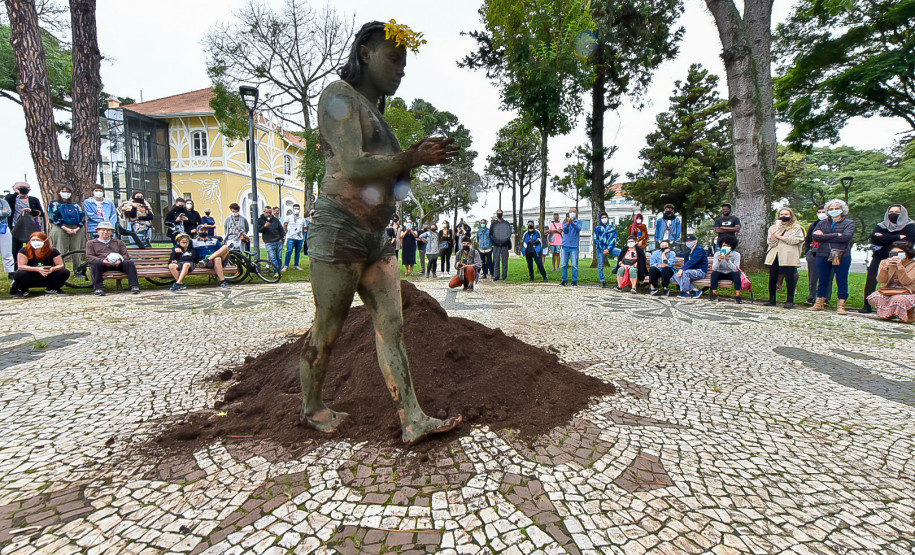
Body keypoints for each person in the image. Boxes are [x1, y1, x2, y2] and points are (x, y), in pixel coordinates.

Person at [301, 20, 462, 444]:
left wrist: (416, 160)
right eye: (394, 59)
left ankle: (413, 418)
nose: (400, 71)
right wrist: (410, 155)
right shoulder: (339, 95)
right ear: (366, 53)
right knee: (329, 326)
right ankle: (311, 407)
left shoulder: (380, 116)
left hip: (377, 236)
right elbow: (353, 165)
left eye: (405, 65)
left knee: (392, 325)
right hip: (339, 227)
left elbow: (394, 183)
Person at [861, 205, 915, 314]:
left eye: (896, 212)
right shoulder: (881, 225)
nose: (893, 214)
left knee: (902, 280)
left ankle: (900, 307)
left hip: (902, 258)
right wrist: (898, 237)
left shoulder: (910, 226)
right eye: (891, 212)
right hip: (880, 256)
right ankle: (867, 305)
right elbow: (875, 239)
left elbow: (908, 242)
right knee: (872, 279)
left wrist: (884, 238)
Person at [810, 199, 855, 315]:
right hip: (823, 253)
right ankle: (819, 301)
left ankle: (841, 304)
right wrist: (836, 234)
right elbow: (815, 236)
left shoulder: (849, 223)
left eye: (836, 209)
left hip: (841, 254)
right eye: (831, 209)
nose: (834, 211)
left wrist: (825, 235)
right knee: (823, 279)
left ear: (842, 210)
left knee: (841, 279)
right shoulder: (822, 222)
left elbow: (846, 237)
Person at [763, 208, 805, 308]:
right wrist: (774, 233)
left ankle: (790, 301)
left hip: (788, 255)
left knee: (789, 277)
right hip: (775, 254)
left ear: (791, 215)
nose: (783, 216)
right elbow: (771, 242)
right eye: (781, 214)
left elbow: (796, 240)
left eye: (786, 214)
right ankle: (772, 299)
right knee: (773, 277)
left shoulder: (796, 227)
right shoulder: (773, 227)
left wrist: (780, 237)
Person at [85, 221, 141, 296]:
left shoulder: (119, 242)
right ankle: (98, 288)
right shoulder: (91, 243)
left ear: (112, 232)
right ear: (98, 231)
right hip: (102, 264)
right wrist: (102, 261)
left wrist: (120, 260)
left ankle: (134, 286)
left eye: (108, 230)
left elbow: (125, 255)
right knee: (95, 264)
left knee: (129, 263)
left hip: (118, 264)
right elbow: (89, 256)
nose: (105, 232)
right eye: (103, 230)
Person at [866, 241, 915, 322]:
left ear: (907, 254)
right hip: (889, 290)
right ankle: (888, 314)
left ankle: (909, 314)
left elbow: (906, 282)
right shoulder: (884, 262)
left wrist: (900, 267)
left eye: (900, 253)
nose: (896, 255)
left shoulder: (913, 264)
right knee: (875, 296)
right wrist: (885, 267)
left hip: (907, 291)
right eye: (893, 252)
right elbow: (881, 280)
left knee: (898, 299)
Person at [10, 232, 69, 297]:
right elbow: (21, 266)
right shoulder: (24, 251)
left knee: (64, 272)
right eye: (33, 240)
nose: (35, 242)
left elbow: (60, 265)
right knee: (19, 273)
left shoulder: (53, 251)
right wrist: (37, 269)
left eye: (38, 240)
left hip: (47, 274)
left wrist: (53, 269)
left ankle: (53, 288)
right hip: (30, 275)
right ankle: (23, 290)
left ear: (44, 241)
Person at [6, 182, 44, 268]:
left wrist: (31, 210)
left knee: (32, 248)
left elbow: (40, 213)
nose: (23, 189)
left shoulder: (34, 199)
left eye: (26, 187)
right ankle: (14, 270)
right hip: (15, 227)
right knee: (15, 249)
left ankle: (31, 266)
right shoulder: (11, 198)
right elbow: (8, 202)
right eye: (20, 187)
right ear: (14, 188)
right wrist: (17, 192)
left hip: (30, 227)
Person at [48, 186, 86, 271]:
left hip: (76, 229)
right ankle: (61, 270)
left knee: (77, 250)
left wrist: (77, 229)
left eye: (68, 192)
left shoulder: (75, 204)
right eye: (64, 191)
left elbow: (82, 217)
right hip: (60, 228)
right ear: (59, 192)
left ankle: (78, 270)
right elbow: (53, 217)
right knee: (60, 250)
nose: (66, 194)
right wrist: (65, 228)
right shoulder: (54, 204)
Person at [804, 206, 832, 306]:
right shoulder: (814, 225)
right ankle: (812, 297)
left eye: (823, 212)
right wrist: (807, 252)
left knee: (828, 277)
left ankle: (825, 298)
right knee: (813, 277)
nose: (821, 214)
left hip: (829, 254)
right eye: (819, 212)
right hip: (814, 253)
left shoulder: (833, 225)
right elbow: (808, 239)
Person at [192, 225, 232, 289]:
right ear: (197, 231)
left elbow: (222, 250)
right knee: (217, 258)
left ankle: (207, 259)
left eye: (205, 230)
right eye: (201, 230)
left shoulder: (214, 240)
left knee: (225, 247)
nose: (203, 231)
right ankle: (223, 281)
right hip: (205, 261)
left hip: (218, 260)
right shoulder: (193, 242)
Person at [709, 234, 742, 303]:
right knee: (714, 274)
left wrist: (728, 261)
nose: (725, 247)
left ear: (732, 247)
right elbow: (714, 268)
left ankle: (738, 296)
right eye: (724, 246)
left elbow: (736, 269)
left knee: (737, 274)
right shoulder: (717, 254)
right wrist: (718, 261)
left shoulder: (736, 255)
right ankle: (714, 294)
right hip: (720, 272)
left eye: (728, 246)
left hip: (730, 273)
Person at [674, 234, 707, 298]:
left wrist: (682, 269)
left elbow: (692, 261)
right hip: (692, 271)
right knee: (676, 275)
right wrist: (671, 253)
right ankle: (695, 290)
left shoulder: (699, 250)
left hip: (700, 271)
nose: (688, 242)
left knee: (685, 273)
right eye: (687, 241)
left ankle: (687, 292)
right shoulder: (690, 251)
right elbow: (682, 254)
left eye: (690, 241)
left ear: (696, 241)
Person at [593, 212, 618, 287]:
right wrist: (603, 249)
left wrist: (609, 249)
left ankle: (616, 268)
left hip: (610, 248)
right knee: (600, 265)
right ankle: (602, 280)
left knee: (621, 253)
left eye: (605, 217)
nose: (604, 219)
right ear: (600, 219)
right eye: (602, 218)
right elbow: (595, 239)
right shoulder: (597, 228)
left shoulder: (612, 228)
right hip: (601, 249)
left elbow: (614, 239)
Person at [258, 205, 285, 273]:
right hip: (269, 242)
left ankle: (278, 270)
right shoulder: (260, 220)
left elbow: (281, 229)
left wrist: (281, 238)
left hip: (278, 241)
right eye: (267, 212)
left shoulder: (275, 220)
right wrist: (264, 226)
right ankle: (276, 272)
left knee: (279, 257)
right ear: (264, 212)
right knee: (273, 258)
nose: (269, 214)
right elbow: (258, 230)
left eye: (270, 212)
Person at [560, 207, 582, 286]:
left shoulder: (579, 222)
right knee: (564, 264)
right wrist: (568, 224)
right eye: (571, 211)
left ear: (576, 213)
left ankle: (574, 281)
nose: (573, 213)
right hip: (565, 245)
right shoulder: (565, 221)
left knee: (574, 265)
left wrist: (572, 223)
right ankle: (564, 280)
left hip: (574, 246)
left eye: (574, 211)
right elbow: (565, 230)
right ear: (569, 213)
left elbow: (578, 229)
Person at [283, 204, 307, 271]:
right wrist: (286, 231)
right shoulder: (288, 217)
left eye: (297, 208)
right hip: (291, 237)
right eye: (295, 208)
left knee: (297, 252)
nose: (296, 210)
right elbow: (285, 225)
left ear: (299, 209)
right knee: (289, 251)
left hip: (299, 238)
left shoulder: (302, 219)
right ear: (293, 209)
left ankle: (296, 265)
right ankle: (286, 265)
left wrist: (304, 231)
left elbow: (304, 227)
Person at [489, 210, 512, 280]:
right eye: (498, 213)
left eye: (500, 213)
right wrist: (495, 241)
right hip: (496, 245)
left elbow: (509, 233)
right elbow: (491, 234)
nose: (499, 214)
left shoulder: (506, 223)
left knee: (505, 261)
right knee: (496, 261)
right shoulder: (494, 224)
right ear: (497, 214)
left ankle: (504, 276)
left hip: (505, 245)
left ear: (502, 214)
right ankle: (496, 275)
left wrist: (504, 240)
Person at [0, 196, 12, 275]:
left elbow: (8, 212)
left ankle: (11, 273)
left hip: (2, 227)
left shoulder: (2, 202)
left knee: (7, 252)